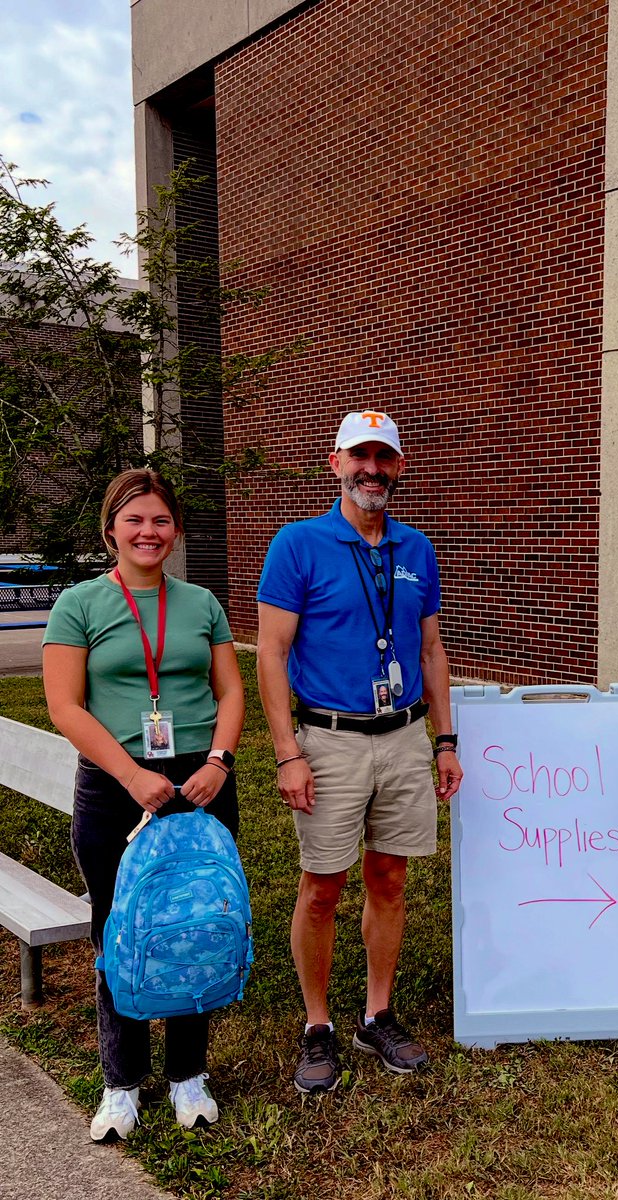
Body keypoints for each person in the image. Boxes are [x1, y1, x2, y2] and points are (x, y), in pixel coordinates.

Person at [257, 409, 463, 1095]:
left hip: (403, 736)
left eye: (384, 458)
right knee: (322, 886)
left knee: (391, 879)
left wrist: (444, 739)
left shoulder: (417, 548)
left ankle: (375, 1013)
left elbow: (430, 650)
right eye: (359, 457)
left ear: (399, 467)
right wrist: (287, 751)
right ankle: (317, 1024)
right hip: (329, 739)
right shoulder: (298, 544)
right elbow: (272, 652)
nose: (371, 470)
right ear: (335, 463)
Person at [42, 469, 245, 1141]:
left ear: (175, 530)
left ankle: (189, 1075)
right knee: (117, 932)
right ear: (111, 531)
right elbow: (64, 706)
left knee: (196, 926)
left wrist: (219, 760)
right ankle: (121, 1083)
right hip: (114, 785)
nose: (149, 532)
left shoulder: (201, 603)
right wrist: (131, 774)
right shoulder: (80, 605)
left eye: (160, 520)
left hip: (201, 785)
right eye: (135, 521)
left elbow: (230, 691)